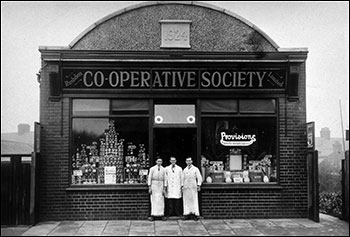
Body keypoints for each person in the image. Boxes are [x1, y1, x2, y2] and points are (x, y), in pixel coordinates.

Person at [182, 157, 202, 221]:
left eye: (190, 161)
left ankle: (195, 214)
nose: (188, 162)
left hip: (193, 187)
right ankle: (186, 214)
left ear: (192, 161)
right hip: (186, 187)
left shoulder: (195, 169)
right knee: (186, 201)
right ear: (185, 162)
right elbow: (182, 178)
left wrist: (198, 185)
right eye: (187, 161)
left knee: (194, 200)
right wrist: (182, 185)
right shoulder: (184, 170)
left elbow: (199, 177)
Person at [147, 157, 167, 221]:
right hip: (154, 185)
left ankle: (161, 214)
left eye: (160, 161)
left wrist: (164, 188)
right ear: (156, 162)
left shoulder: (164, 169)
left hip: (161, 185)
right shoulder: (152, 169)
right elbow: (149, 178)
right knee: (154, 200)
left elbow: (165, 179)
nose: (159, 163)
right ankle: (153, 215)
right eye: (158, 161)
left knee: (161, 200)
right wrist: (150, 187)